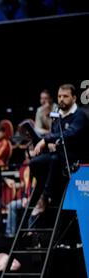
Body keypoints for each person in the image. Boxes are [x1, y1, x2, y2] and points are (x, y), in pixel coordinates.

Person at [31, 83, 89, 216]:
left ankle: (45, 197)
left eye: (65, 96)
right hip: (59, 155)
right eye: (59, 96)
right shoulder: (57, 114)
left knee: (54, 159)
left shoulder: (80, 115)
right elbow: (54, 132)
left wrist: (46, 140)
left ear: (74, 98)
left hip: (75, 158)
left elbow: (70, 133)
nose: (61, 99)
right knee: (35, 162)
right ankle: (46, 190)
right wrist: (51, 142)